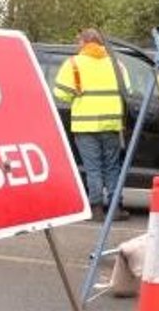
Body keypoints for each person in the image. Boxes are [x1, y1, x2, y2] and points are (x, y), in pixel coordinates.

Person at [53, 28, 131, 221]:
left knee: (93, 168)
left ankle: (96, 208)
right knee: (112, 167)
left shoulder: (73, 63)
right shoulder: (117, 64)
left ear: (84, 42)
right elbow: (127, 91)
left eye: (79, 42)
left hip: (85, 126)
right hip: (111, 124)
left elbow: (61, 93)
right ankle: (115, 208)